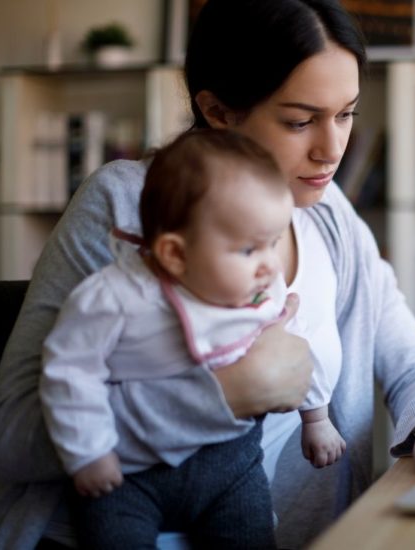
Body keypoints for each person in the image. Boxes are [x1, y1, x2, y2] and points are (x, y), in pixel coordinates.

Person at [0, 1, 415, 548]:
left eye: (347, 113)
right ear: (218, 111)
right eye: (299, 120)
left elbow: (413, 361)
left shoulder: (330, 215)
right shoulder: (125, 204)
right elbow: (8, 437)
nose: (332, 149)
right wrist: (226, 394)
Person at [40, 128, 345, 548]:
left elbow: (294, 350)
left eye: (273, 243)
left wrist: (317, 418)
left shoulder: (259, 288)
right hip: (128, 473)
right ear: (175, 254)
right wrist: (88, 452)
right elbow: (70, 372)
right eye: (248, 249)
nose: (269, 265)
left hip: (231, 468)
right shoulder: (114, 297)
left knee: (251, 535)